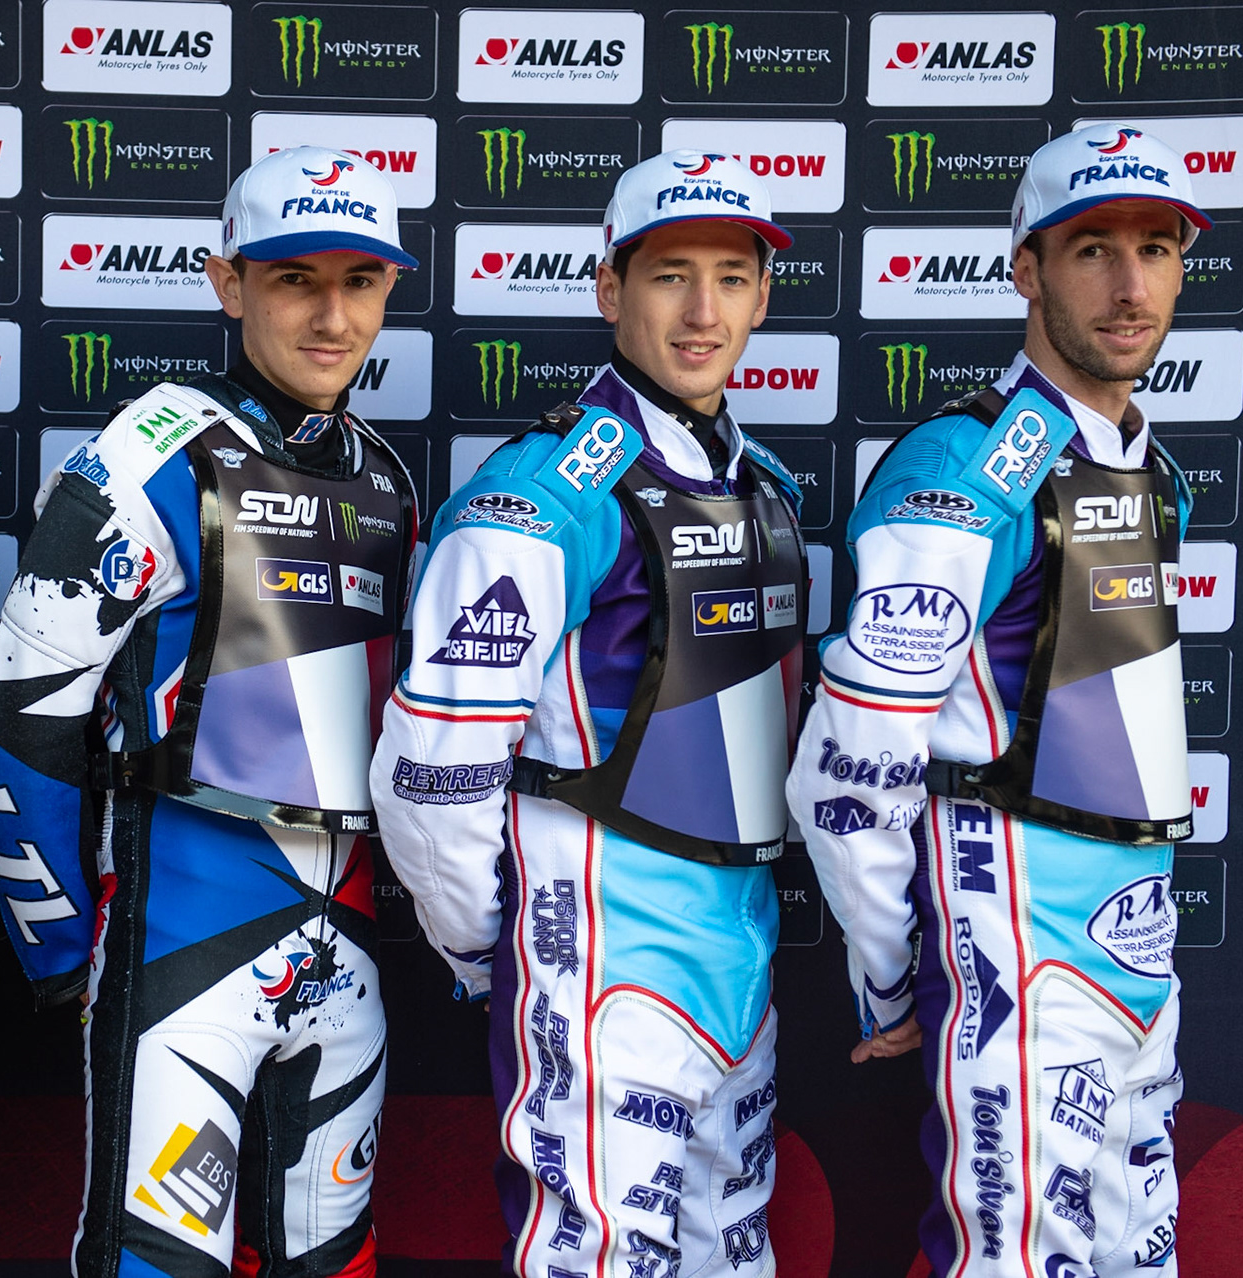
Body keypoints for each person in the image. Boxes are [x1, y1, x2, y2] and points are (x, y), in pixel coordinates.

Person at [0, 147, 417, 1278]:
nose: (330, 314)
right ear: (228, 285)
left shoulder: (383, 475)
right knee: (157, 1261)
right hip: (182, 950)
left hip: (347, 947)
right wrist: (63, 948)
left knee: (336, 1258)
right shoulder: (156, 452)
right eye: (294, 279)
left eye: (359, 282)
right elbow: (11, 713)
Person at [371, 150, 804, 1278]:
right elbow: (430, 773)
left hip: (739, 961)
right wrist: (497, 956)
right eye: (669, 276)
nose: (703, 311)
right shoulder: (545, 493)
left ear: (763, 293)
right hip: (601, 962)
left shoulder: (766, 490)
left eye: (731, 275)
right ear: (610, 290)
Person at [785, 123, 1207, 1275]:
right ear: (1025, 267)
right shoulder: (966, 468)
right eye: (1092, 251)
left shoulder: (1139, 461)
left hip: (1137, 946)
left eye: (1157, 249)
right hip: (1017, 948)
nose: (1131, 287)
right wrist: (888, 978)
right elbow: (847, 772)